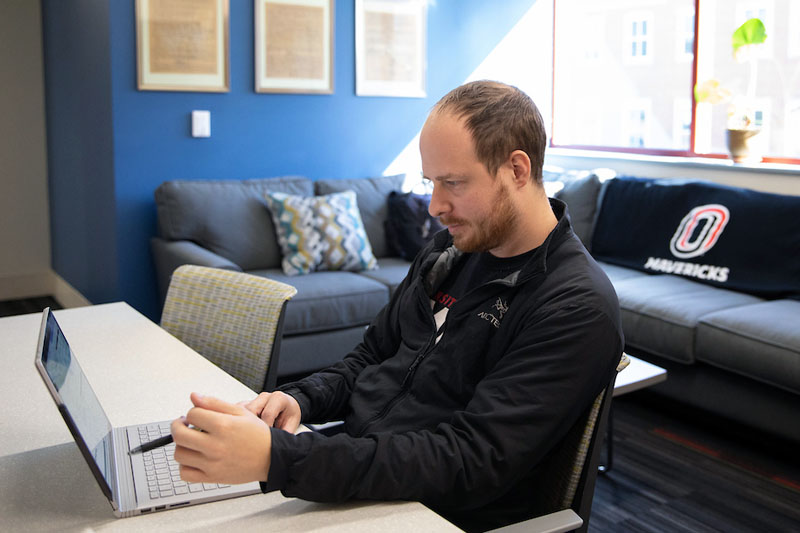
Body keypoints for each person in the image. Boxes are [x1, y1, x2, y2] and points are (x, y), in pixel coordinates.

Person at [171, 80, 624, 532]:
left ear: (517, 170)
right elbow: (370, 358)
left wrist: (279, 457)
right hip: (365, 474)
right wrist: (296, 400)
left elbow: (468, 462)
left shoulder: (575, 305)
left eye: (453, 183)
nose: (435, 206)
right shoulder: (448, 252)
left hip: (434, 513)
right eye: (430, 183)